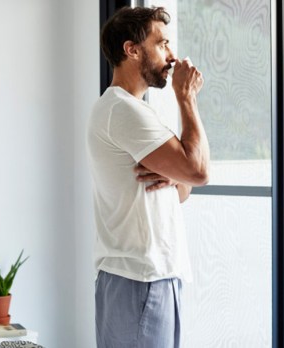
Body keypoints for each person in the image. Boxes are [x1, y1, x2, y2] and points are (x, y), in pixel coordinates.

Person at [86, 6, 209, 348]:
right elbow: (198, 171)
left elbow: (183, 189)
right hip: (139, 279)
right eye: (163, 44)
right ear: (132, 50)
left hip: (152, 277)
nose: (171, 56)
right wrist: (187, 98)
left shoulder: (138, 111)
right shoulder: (121, 110)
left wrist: (174, 175)